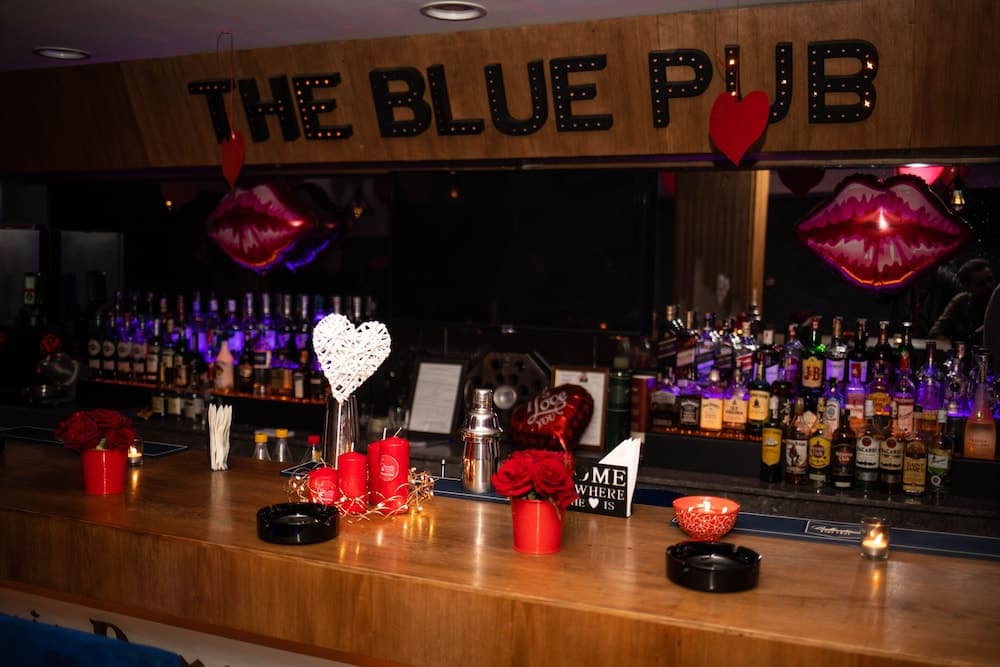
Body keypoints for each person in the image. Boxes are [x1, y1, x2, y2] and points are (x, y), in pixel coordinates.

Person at [927, 258, 995, 345]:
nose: (989, 286)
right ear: (968, 287)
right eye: (981, 284)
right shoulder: (962, 301)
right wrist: (955, 349)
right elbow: (935, 332)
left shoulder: (997, 299)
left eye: (990, 280)